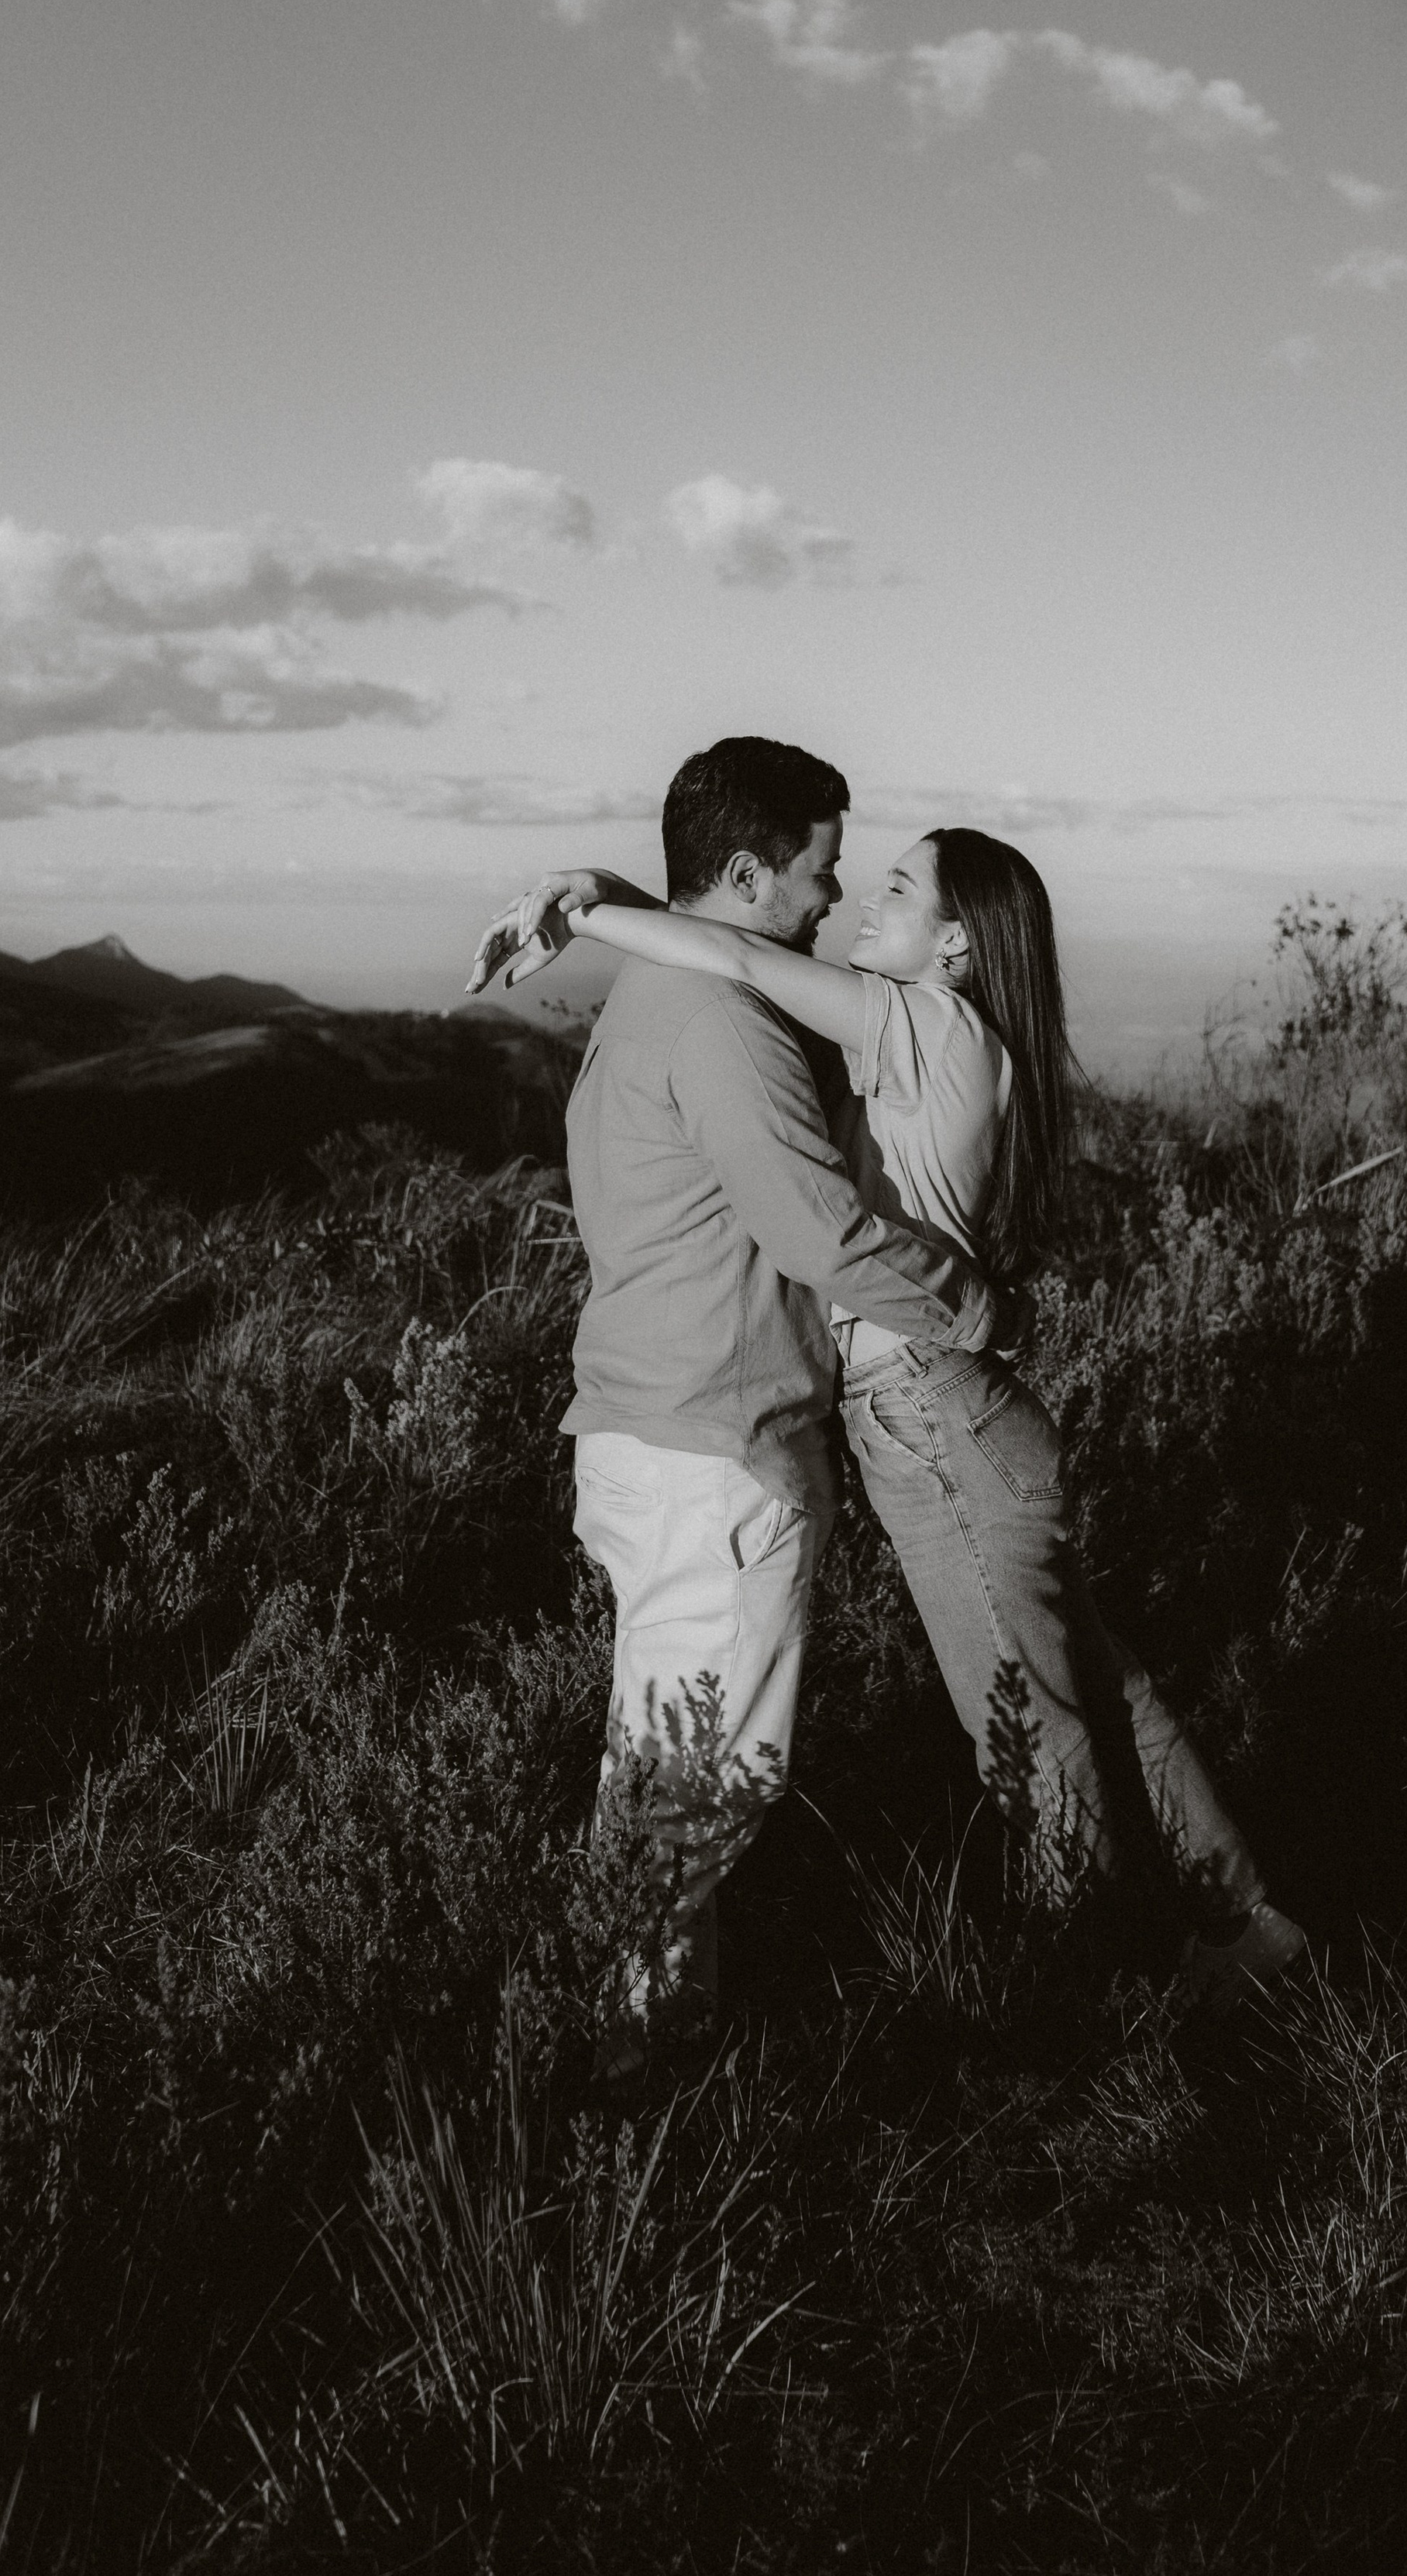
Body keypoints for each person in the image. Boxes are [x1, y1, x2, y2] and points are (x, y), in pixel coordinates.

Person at [471, 785, 1305, 2018]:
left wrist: (589, 903)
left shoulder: (925, 1026)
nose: (866, 901)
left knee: (1025, 1729)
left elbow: (726, 948)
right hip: (958, 1409)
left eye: (900, 891)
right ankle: (1246, 1925)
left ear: (954, 945)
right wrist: (616, 895)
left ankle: (1110, 1984)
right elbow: (735, 945)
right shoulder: (940, 1033)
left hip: (930, 1410)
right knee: (1091, 1679)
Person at [468, 739, 1002, 2062]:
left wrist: (593, 891)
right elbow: (820, 1230)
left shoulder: (657, 988)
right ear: (751, 870)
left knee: (661, 1770)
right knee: (704, 1788)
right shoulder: (722, 1024)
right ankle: (621, 2084)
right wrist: (978, 1309)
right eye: (819, 875)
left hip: (653, 1431)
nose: (831, 904)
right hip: (718, 1453)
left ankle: (635, 2050)